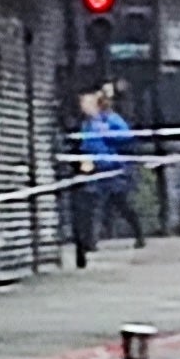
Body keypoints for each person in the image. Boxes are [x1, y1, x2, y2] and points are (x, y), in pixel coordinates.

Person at [70, 85, 143, 264]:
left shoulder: (110, 119)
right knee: (95, 206)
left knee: (122, 204)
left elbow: (126, 137)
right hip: (96, 169)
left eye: (86, 102)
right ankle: (90, 241)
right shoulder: (87, 124)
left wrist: (109, 135)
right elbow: (86, 144)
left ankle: (139, 233)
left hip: (114, 169)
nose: (83, 106)